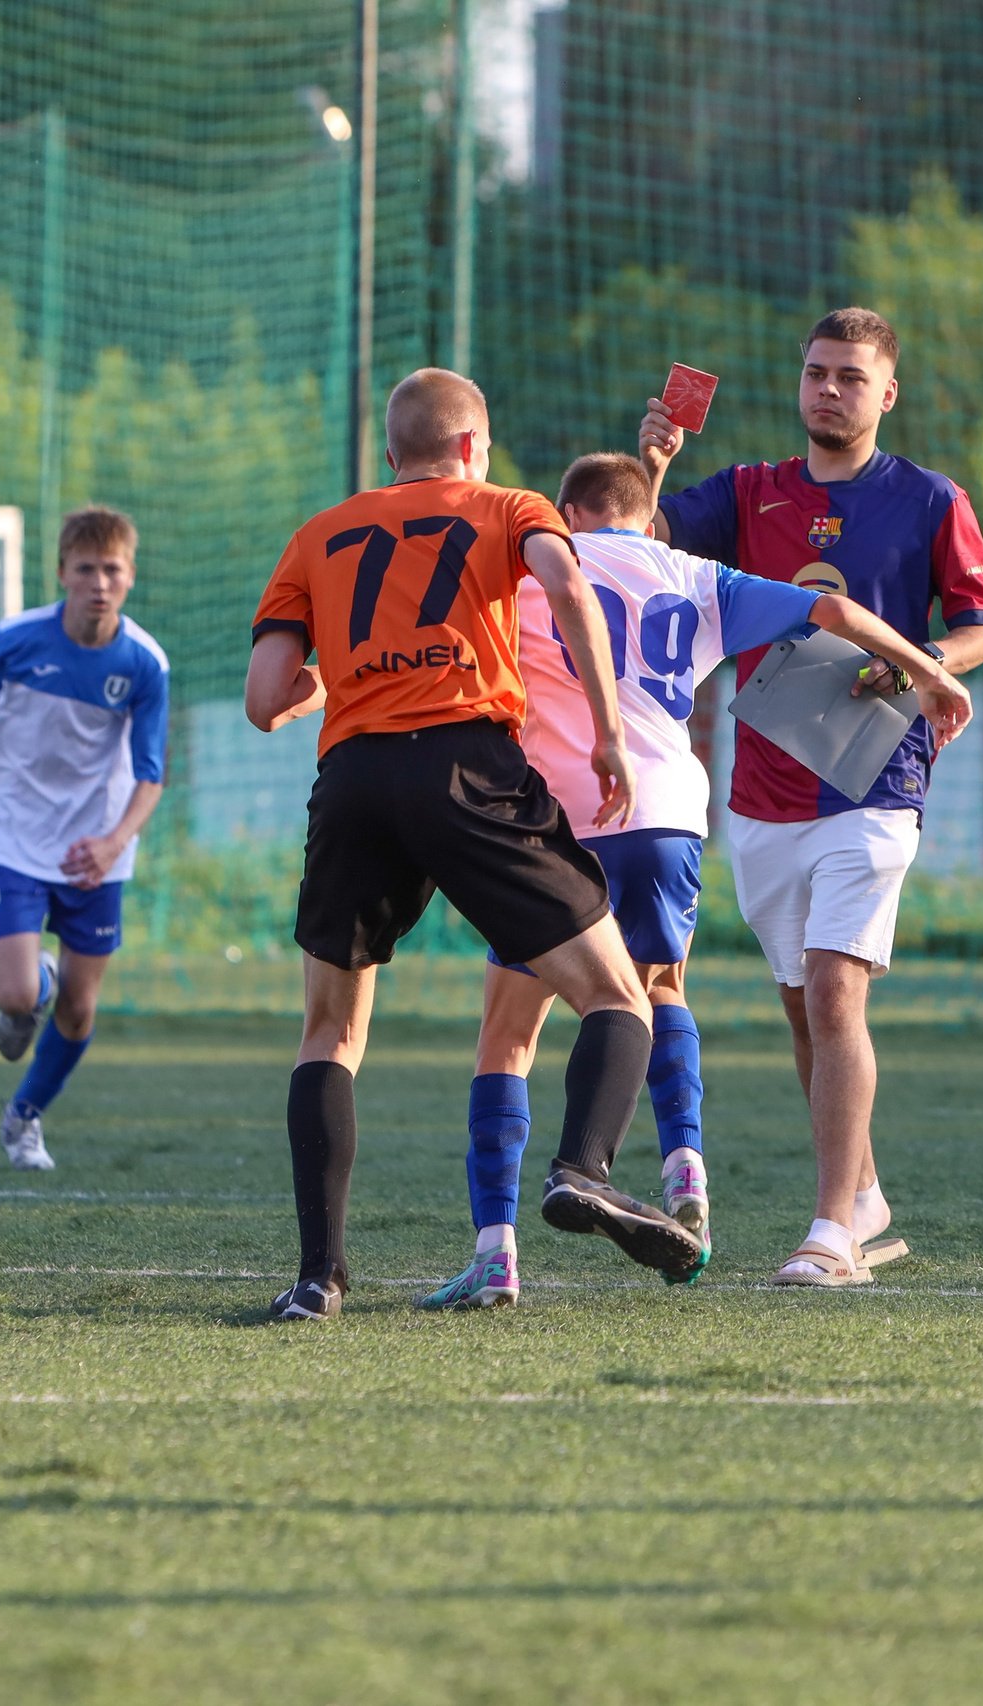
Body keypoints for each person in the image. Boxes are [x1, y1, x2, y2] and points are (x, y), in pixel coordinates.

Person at [419, 451, 969, 1309]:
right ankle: (688, 1174)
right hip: (668, 812)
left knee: (510, 1034)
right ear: (648, 518)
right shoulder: (694, 573)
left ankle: (496, 1254)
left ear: (565, 511)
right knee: (662, 988)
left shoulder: (533, 560)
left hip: (556, 816)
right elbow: (831, 608)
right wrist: (930, 670)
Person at [244, 367, 701, 1323]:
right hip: (469, 767)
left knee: (329, 1033)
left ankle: (317, 1278)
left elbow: (266, 700)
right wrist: (611, 730)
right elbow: (567, 582)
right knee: (619, 993)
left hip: (357, 780)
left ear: (388, 453)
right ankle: (583, 1171)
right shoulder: (508, 505)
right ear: (469, 447)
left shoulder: (317, 536)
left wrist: (355, 675)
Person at [641, 306, 983, 1288]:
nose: (828, 389)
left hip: (875, 780)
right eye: (815, 371)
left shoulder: (930, 499)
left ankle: (829, 1232)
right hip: (759, 791)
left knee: (837, 990)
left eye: (850, 375)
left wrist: (920, 665)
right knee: (803, 1009)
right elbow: (631, 537)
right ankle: (867, 1196)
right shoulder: (749, 491)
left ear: (887, 392)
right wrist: (658, 459)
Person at [0, 506, 171, 1172]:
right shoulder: (16, 638)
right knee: (18, 999)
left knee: (79, 1012)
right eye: (85, 569)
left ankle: (25, 1117)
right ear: (62, 573)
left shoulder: (144, 664)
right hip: (9, 830)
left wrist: (113, 843)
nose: (99, 583)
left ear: (131, 577)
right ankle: (33, 982)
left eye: (112, 570)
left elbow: (150, 775)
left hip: (93, 848)